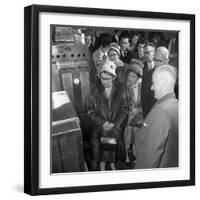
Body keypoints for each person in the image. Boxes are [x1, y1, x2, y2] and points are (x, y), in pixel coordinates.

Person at [87, 60, 128, 171]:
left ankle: (110, 164)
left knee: (111, 148)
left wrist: (114, 124)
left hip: (114, 127)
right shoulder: (94, 89)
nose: (104, 81)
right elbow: (90, 110)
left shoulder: (120, 90)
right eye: (102, 78)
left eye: (107, 79)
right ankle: (103, 167)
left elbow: (124, 109)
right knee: (102, 149)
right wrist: (103, 122)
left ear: (113, 77)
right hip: (99, 127)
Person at [135, 64, 178, 169]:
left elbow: (149, 158)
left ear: (164, 83)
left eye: (154, 83)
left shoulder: (160, 113)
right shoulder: (176, 104)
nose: (151, 87)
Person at [124, 59, 143, 164]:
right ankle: (126, 154)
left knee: (137, 136)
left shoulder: (141, 86)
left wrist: (138, 109)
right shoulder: (125, 87)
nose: (130, 78)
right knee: (127, 136)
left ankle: (136, 153)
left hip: (138, 117)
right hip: (127, 117)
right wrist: (130, 110)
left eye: (133, 77)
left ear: (139, 78)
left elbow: (142, 101)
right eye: (129, 76)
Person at [141, 46, 169, 118]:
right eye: (154, 59)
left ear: (166, 61)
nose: (155, 63)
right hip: (151, 116)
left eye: (158, 60)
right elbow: (144, 101)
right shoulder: (147, 76)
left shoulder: (172, 76)